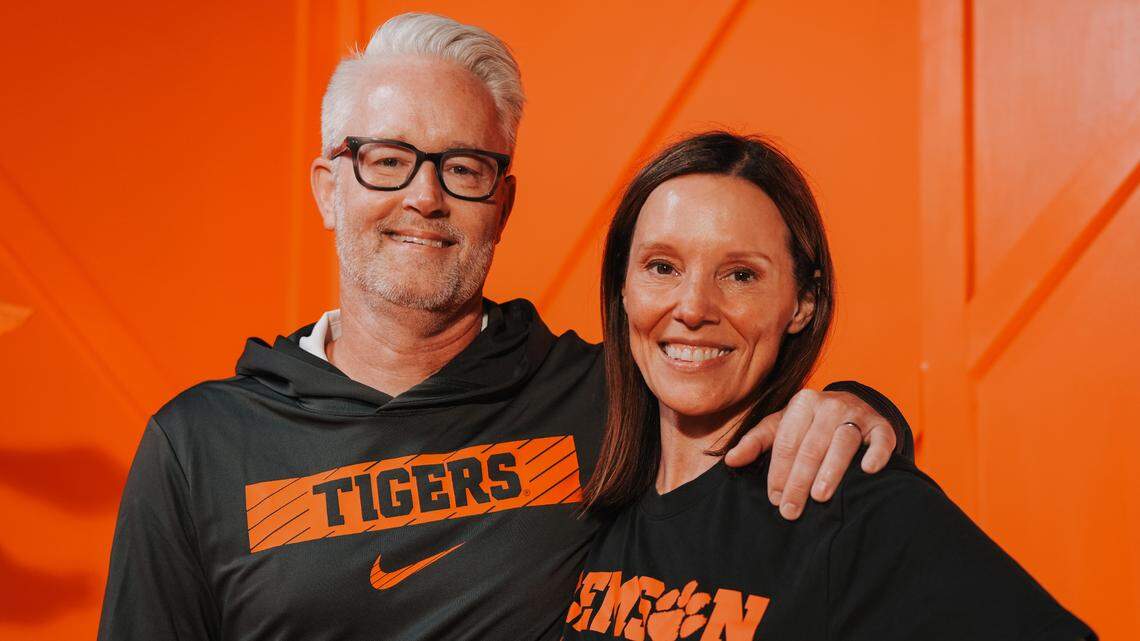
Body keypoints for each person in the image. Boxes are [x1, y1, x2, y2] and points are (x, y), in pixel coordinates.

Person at [97, 14, 913, 641]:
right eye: (387, 158)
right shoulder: (198, 447)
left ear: (503, 202)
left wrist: (859, 406)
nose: (425, 196)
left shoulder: (609, 399)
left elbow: (759, 417)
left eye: (463, 167)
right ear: (328, 187)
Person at [562, 132, 1095, 640]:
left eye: (741, 275)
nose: (694, 307)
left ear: (802, 304)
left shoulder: (836, 496)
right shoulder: (586, 492)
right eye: (662, 267)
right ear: (624, 289)